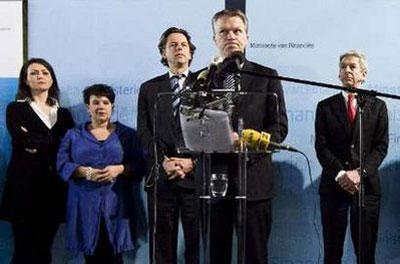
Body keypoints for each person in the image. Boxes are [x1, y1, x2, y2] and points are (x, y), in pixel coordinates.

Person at [206, 9, 288, 264]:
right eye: (223, 31)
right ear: (215, 39)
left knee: (255, 255)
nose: (230, 36)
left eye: (236, 31)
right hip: (214, 180)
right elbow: (190, 126)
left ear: (247, 37)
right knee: (217, 255)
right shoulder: (202, 80)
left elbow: (279, 128)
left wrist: (247, 144)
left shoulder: (267, 76)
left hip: (254, 183)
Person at [56, 84, 146, 264]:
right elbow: (61, 163)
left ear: (112, 106)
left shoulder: (128, 135)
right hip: (84, 205)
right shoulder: (73, 135)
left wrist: (120, 169)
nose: (101, 106)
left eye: (106, 102)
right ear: (87, 107)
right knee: (91, 256)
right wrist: (84, 172)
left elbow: (141, 164)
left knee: (115, 256)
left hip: (118, 204)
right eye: (95, 102)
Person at [315, 51, 388, 264]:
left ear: (363, 74)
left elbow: (381, 146)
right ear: (338, 75)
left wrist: (359, 173)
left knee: (366, 254)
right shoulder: (325, 106)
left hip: (367, 189)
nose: (347, 70)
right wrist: (340, 173)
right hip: (333, 187)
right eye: (343, 67)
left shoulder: (377, 106)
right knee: (332, 253)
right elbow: (321, 146)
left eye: (352, 67)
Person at [0, 58, 74, 263]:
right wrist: (54, 142)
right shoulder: (16, 109)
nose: (40, 76)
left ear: (52, 79)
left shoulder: (64, 114)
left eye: (44, 72)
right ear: (25, 79)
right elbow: (22, 139)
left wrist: (37, 142)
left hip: (53, 189)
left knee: (44, 250)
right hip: (24, 188)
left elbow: (69, 147)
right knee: (23, 250)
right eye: (34, 72)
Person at [137, 27, 199, 264]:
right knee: (161, 245)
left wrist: (192, 162)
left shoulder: (205, 85)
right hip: (162, 176)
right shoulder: (149, 88)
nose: (179, 48)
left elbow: (213, 131)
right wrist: (164, 161)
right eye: (172, 45)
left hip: (195, 177)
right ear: (164, 54)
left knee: (197, 243)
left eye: (183, 44)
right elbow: (144, 131)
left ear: (191, 53)